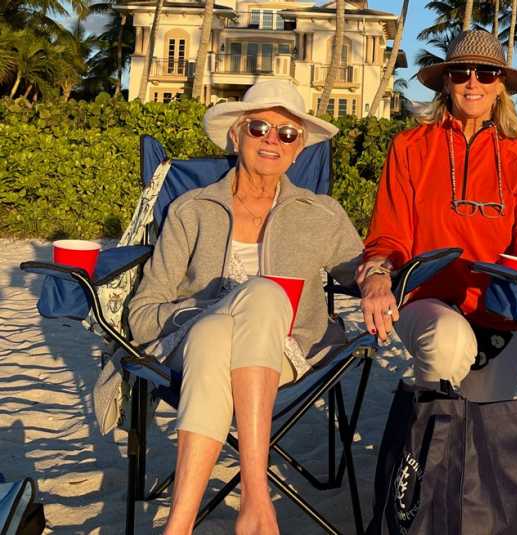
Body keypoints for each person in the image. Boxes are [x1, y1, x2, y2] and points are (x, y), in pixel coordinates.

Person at [127, 80, 362, 535]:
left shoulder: (323, 213)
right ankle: (256, 497)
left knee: (241, 317)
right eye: (259, 127)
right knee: (241, 309)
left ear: (298, 150)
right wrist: (208, 311)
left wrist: (376, 279)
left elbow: (365, 270)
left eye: (287, 133)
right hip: (190, 345)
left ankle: (178, 526)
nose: (272, 140)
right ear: (236, 136)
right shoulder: (190, 210)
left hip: (286, 354)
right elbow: (143, 311)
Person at [357, 29, 517, 402]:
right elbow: (389, 234)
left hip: (501, 304)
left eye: (486, 74)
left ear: (500, 84)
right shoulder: (410, 147)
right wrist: (377, 272)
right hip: (429, 297)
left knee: (485, 421)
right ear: (446, 82)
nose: (472, 82)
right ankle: (426, 440)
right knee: (448, 343)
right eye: (461, 73)